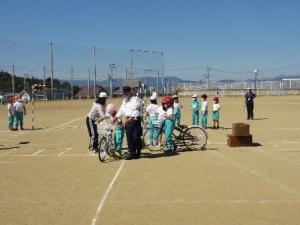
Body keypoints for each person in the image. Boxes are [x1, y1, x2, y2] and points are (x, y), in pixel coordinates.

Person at [116, 86, 142, 160]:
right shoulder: (125, 100)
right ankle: (132, 153)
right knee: (129, 138)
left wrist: (131, 119)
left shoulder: (136, 100)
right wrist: (116, 117)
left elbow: (136, 111)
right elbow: (121, 110)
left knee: (136, 137)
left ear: (130, 91)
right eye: (124, 92)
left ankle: (138, 152)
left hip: (135, 120)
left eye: (126, 92)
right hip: (128, 119)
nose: (125, 94)